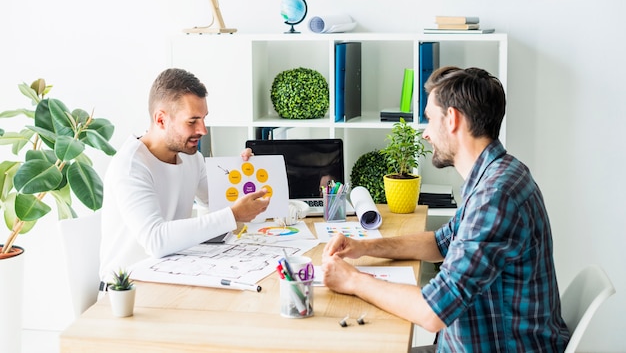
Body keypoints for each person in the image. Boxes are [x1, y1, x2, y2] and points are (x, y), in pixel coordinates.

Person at [322, 66, 570, 352]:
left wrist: (352, 280)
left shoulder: (496, 195)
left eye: (429, 119)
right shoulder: (497, 174)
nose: (426, 134)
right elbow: (440, 243)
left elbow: (432, 312)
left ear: (452, 119)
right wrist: (364, 247)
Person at [99, 68, 270, 282]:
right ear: (161, 120)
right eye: (192, 121)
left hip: (170, 276)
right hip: (126, 292)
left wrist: (247, 173)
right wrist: (233, 214)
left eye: (204, 119)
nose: (203, 130)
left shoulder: (190, 157)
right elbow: (156, 240)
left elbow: (226, 203)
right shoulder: (131, 166)